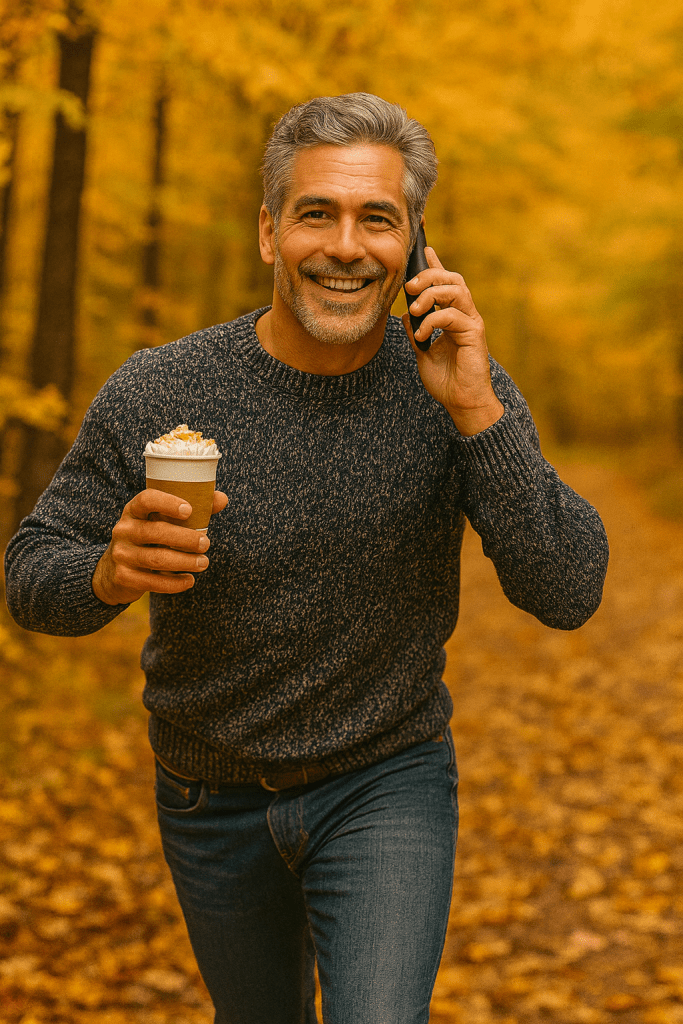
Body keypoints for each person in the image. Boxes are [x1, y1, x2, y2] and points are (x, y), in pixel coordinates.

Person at [4, 93, 609, 1024]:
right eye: (315, 213)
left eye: (378, 219)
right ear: (267, 231)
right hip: (208, 794)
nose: (344, 245)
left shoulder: (455, 383)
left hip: (386, 781)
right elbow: (31, 576)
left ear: (413, 246)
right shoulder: (161, 388)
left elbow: (568, 588)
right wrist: (107, 572)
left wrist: (478, 415)